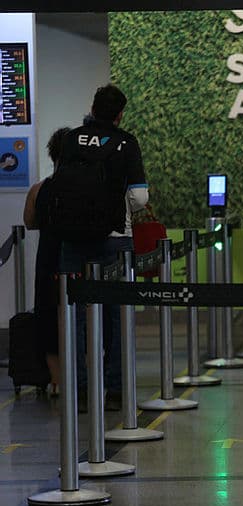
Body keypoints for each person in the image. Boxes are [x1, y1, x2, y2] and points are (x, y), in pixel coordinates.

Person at [57, 85, 149, 412]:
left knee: (74, 318)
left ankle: (78, 391)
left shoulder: (71, 139)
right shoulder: (126, 143)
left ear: (92, 108)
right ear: (120, 113)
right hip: (114, 238)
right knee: (117, 317)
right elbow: (139, 198)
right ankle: (115, 390)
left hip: (71, 239)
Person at [23, 127, 71, 396]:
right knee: (80, 317)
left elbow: (30, 222)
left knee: (47, 317)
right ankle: (81, 377)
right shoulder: (81, 191)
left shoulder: (38, 189)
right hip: (74, 258)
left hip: (47, 258)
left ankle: (56, 381)